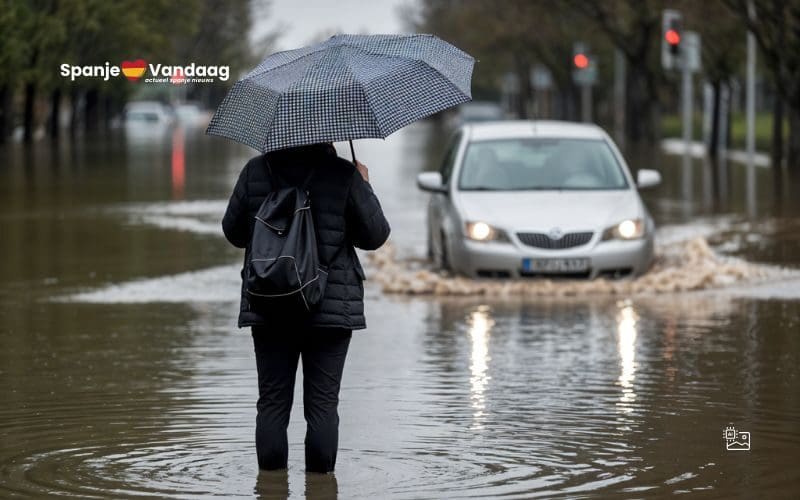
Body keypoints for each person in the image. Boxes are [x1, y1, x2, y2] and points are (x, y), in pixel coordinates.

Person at [222, 142, 390, 473]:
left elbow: (234, 233)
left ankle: (269, 490)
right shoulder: (344, 174)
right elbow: (375, 236)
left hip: (269, 304)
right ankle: (321, 489)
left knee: (271, 404)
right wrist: (363, 186)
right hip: (330, 308)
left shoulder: (256, 172)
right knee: (323, 407)